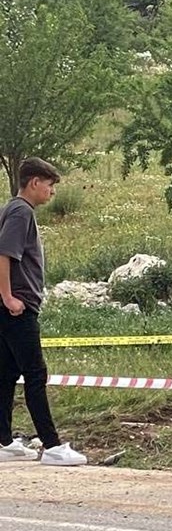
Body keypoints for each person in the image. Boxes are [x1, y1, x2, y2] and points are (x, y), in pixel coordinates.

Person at [0, 159, 87, 466]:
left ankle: (5, 441)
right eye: (50, 185)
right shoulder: (21, 211)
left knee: (7, 373)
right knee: (36, 374)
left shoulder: (12, 209)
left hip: (10, 308)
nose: (52, 192)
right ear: (34, 182)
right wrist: (9, 297)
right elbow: (5, 254)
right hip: (17, 309)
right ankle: (51, 446)